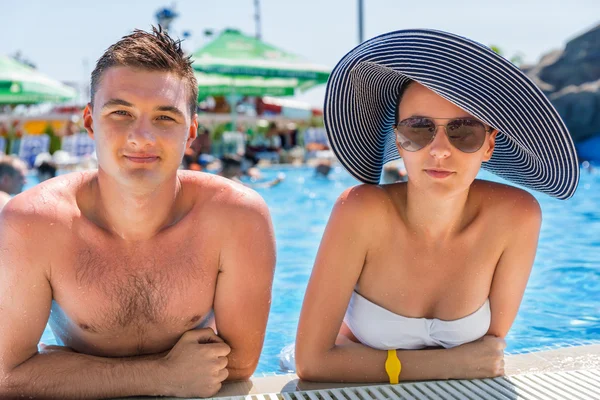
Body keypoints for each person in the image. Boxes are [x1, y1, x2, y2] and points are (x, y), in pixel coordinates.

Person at [0, 27, 276, 399]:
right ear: (90, 122)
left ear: (191, 131)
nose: (141, 136)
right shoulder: (34, 223)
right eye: (121, 112)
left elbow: (239, 364)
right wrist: (161, 376)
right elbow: (7, 375)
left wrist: (67, 370)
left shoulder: (236, 217)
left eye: (165, 117)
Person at [295, 29, 579, 384]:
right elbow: (311, 362)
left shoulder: (516, 217)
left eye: (463, 132)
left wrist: (443, 366)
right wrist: (446, 366)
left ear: (489, 145)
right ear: (398, 140)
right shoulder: (361, 211)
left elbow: (487, 354)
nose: (440, 150)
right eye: (418, 129)